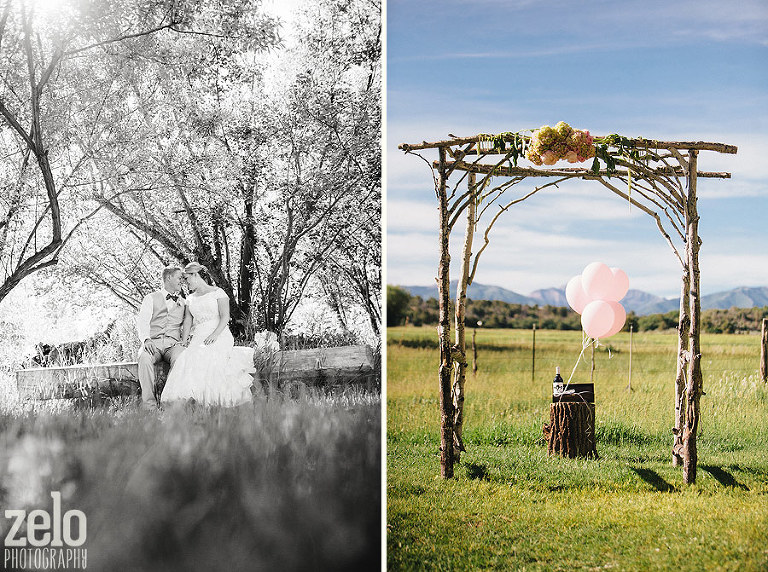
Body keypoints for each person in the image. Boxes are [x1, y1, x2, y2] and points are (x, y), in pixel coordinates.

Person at [160, 262, 254, 406]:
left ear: (195, 275)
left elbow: (225, 316)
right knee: (187, 358)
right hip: (199, 336)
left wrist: (215, 335)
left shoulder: (218, 292)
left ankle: (215, 401)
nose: (185, 283)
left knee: (209, 356)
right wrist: (184, 340)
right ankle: (195, 402)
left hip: (219, 333)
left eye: (187, 279)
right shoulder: (190, 299)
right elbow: (187, 321)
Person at [136, 266, 186, 409]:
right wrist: (146, 339)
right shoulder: (150, 298)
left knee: (182, 357)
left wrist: (185, 341)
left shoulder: (183, 302)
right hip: (154, 343)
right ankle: (150, 406)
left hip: (173, 344)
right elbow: (143, 321)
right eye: (179, 277)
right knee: (144, 358)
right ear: (169, 278)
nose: (181, 281)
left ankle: (169, 402)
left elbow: (190, 325)